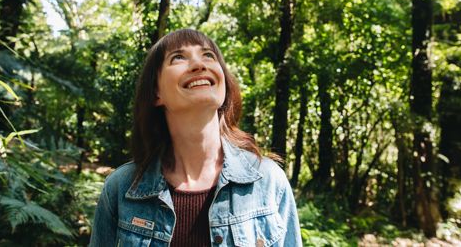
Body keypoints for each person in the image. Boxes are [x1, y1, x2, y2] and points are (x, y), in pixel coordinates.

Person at [90, 29, 302, 246]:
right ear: (156, 92)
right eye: (178, 57)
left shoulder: (268, 180)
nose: (200, 65)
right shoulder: (121, 188)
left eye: (208, 55)